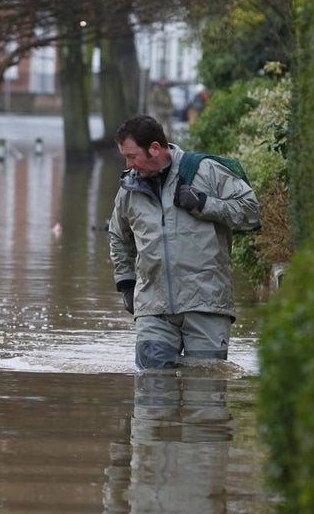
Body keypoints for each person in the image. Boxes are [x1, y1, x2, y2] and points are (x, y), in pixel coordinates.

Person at [108, 115, 260, 369]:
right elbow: (117, 235)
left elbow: (251, 211)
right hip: (153, 309)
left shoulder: (205, 171)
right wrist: (126, 282)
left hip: (207, 305)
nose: (129, 164)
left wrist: (204, 204)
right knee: (151, 397)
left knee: (205, 398)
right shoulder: (129, 188)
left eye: (132, 156)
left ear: (155, 148)